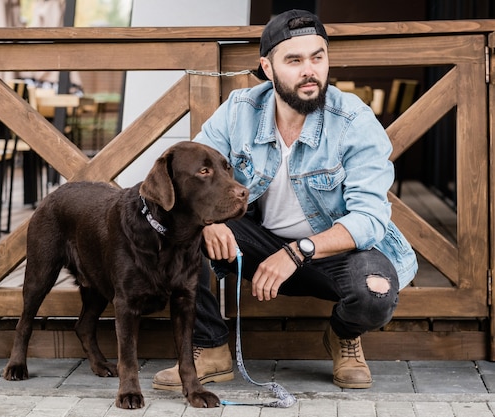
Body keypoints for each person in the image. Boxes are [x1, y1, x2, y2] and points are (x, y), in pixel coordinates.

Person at [151, 9, 418, 390]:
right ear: (267, 66)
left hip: (337, 253)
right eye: (294, 60)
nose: (309, 70)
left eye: (317, 57)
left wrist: (298, 252)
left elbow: (370, 219)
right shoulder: (239, 110)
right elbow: (192, 176)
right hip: (258, 244)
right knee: (177, 231)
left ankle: (343, 335)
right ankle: (210, 347)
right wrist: (208, 223)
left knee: (375, 293)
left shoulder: (355, 122)